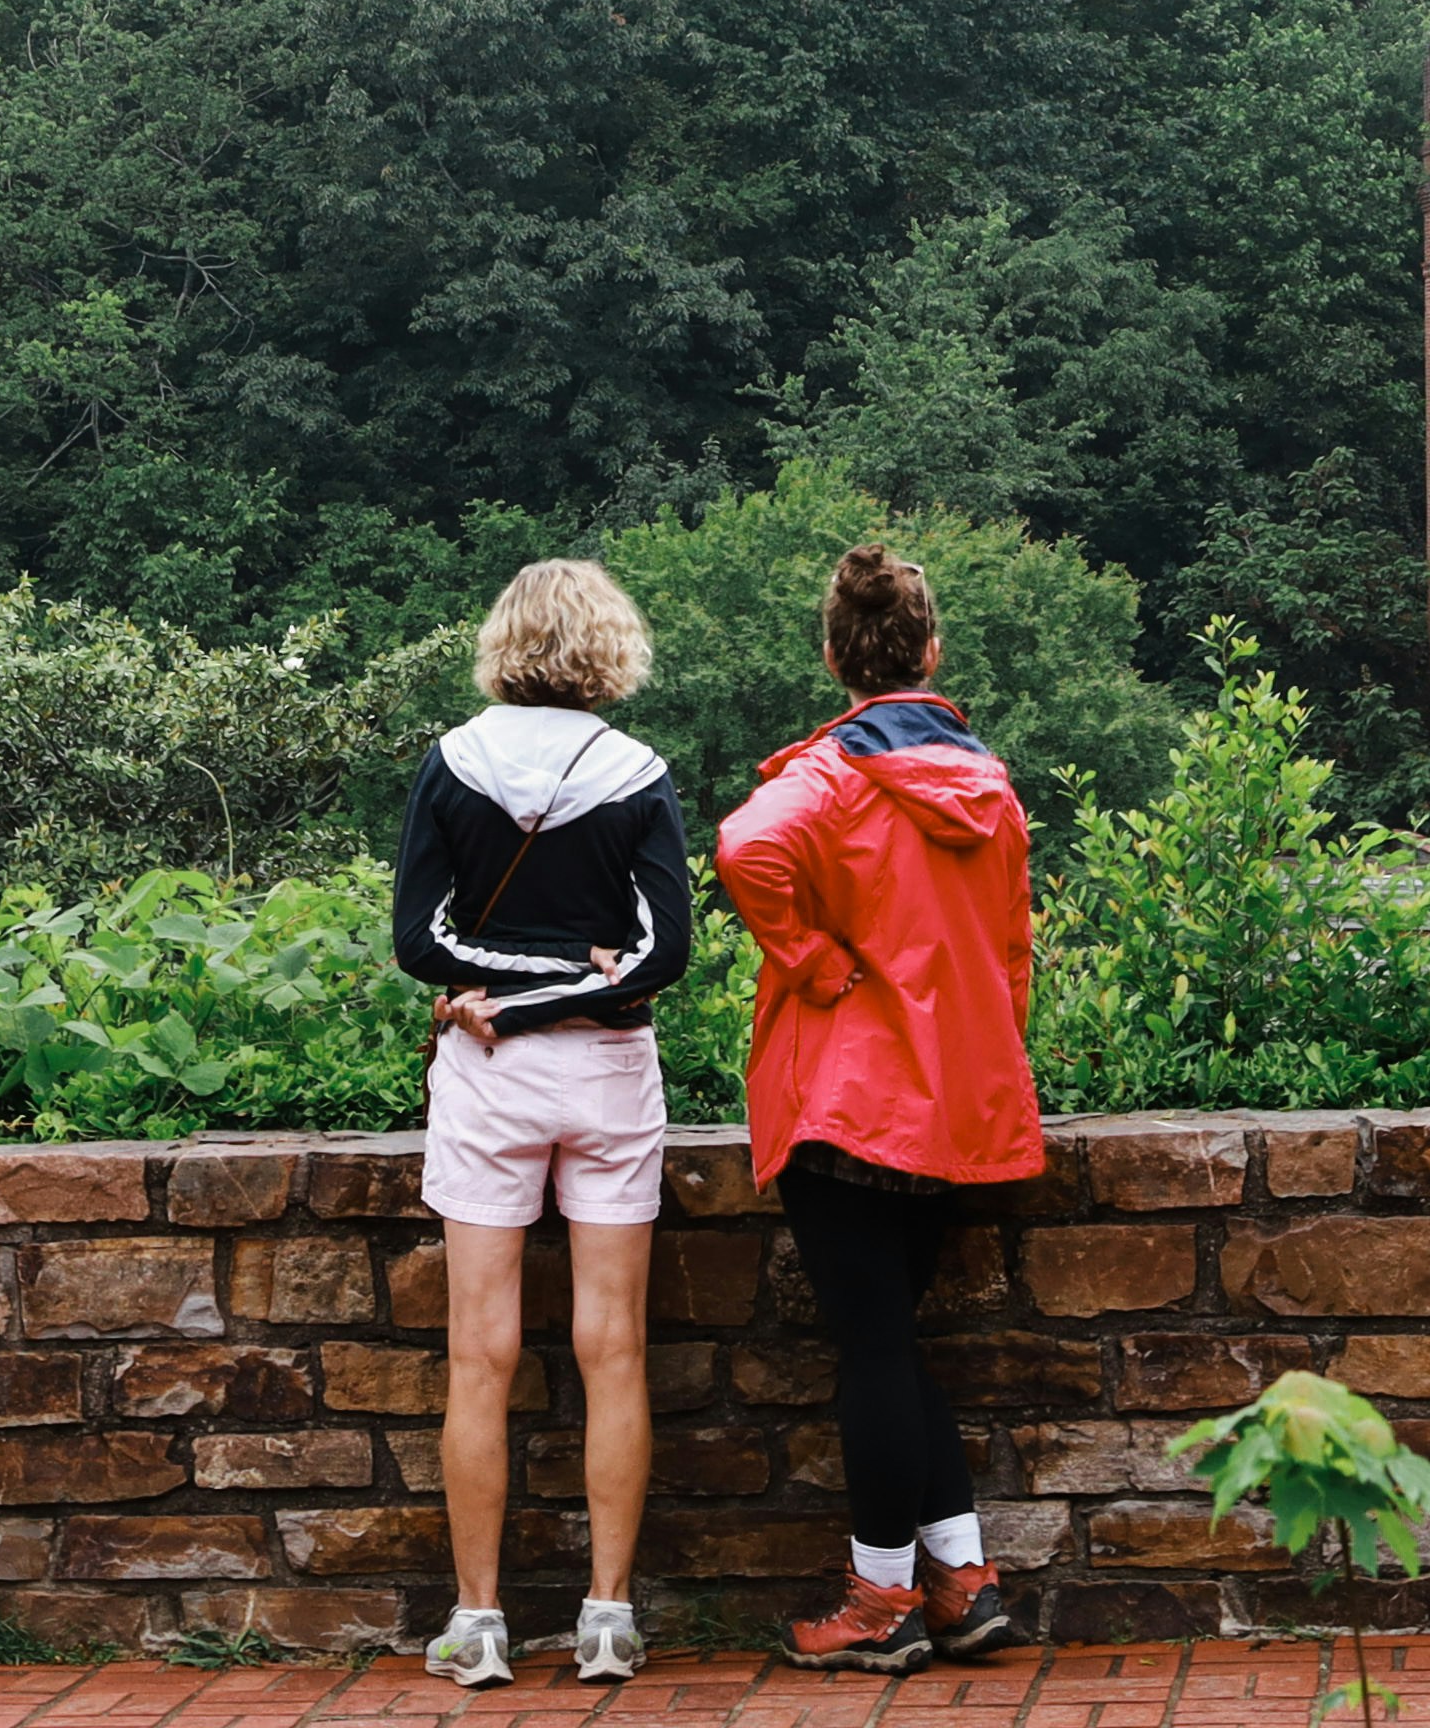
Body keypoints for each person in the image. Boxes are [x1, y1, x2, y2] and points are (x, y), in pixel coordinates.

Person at [711, 541, 1041, 1676]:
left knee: (873, 1352)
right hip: (949, 1095)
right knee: (892, 1344)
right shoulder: (985, 782)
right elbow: (1010, 950)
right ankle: (964, 1578)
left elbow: (745, 843)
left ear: (833, 655)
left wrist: (810, 960)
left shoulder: (829, 776)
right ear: (931, 650)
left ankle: (880, 1600)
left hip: (848, 1097)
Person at [392, 557, 699, 1689]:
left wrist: (505, 998)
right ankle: (608, 1614)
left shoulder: (451, 763)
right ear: (608, 645)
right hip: (610, 1072)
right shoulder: (638, 772)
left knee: (481, 1350)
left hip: (489, 1067)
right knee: (611, 1344)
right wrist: (581, 977)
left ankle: (478, 1621)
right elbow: (662, 953)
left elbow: (420, 941)